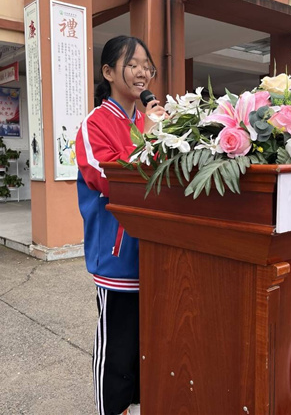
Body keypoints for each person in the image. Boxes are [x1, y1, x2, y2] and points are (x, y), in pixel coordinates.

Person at [75, 36, 166, 415]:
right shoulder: (94, 124)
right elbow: (107, 178)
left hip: (158, 254)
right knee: (117, 351)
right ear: (109, 72)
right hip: (118, 259)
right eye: (132, 64)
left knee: (149, 349)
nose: (142, 72)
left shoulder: (149, 121)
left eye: (147, 65)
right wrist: (151, 138)